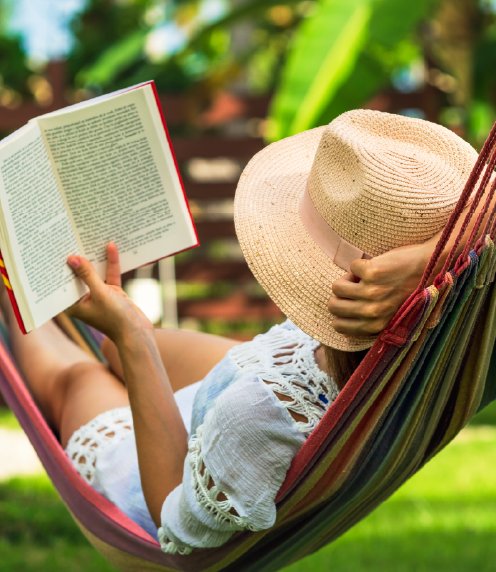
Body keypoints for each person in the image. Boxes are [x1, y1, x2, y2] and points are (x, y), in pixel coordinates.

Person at [2, 110, 492, 554]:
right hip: (298, 371)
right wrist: (432, 262)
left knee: (81, 377)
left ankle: (10, 285)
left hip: (156, 474)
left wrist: (134, 336)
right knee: (108, 346)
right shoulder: (467, 341)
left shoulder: (255, 418)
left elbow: (170, 514)